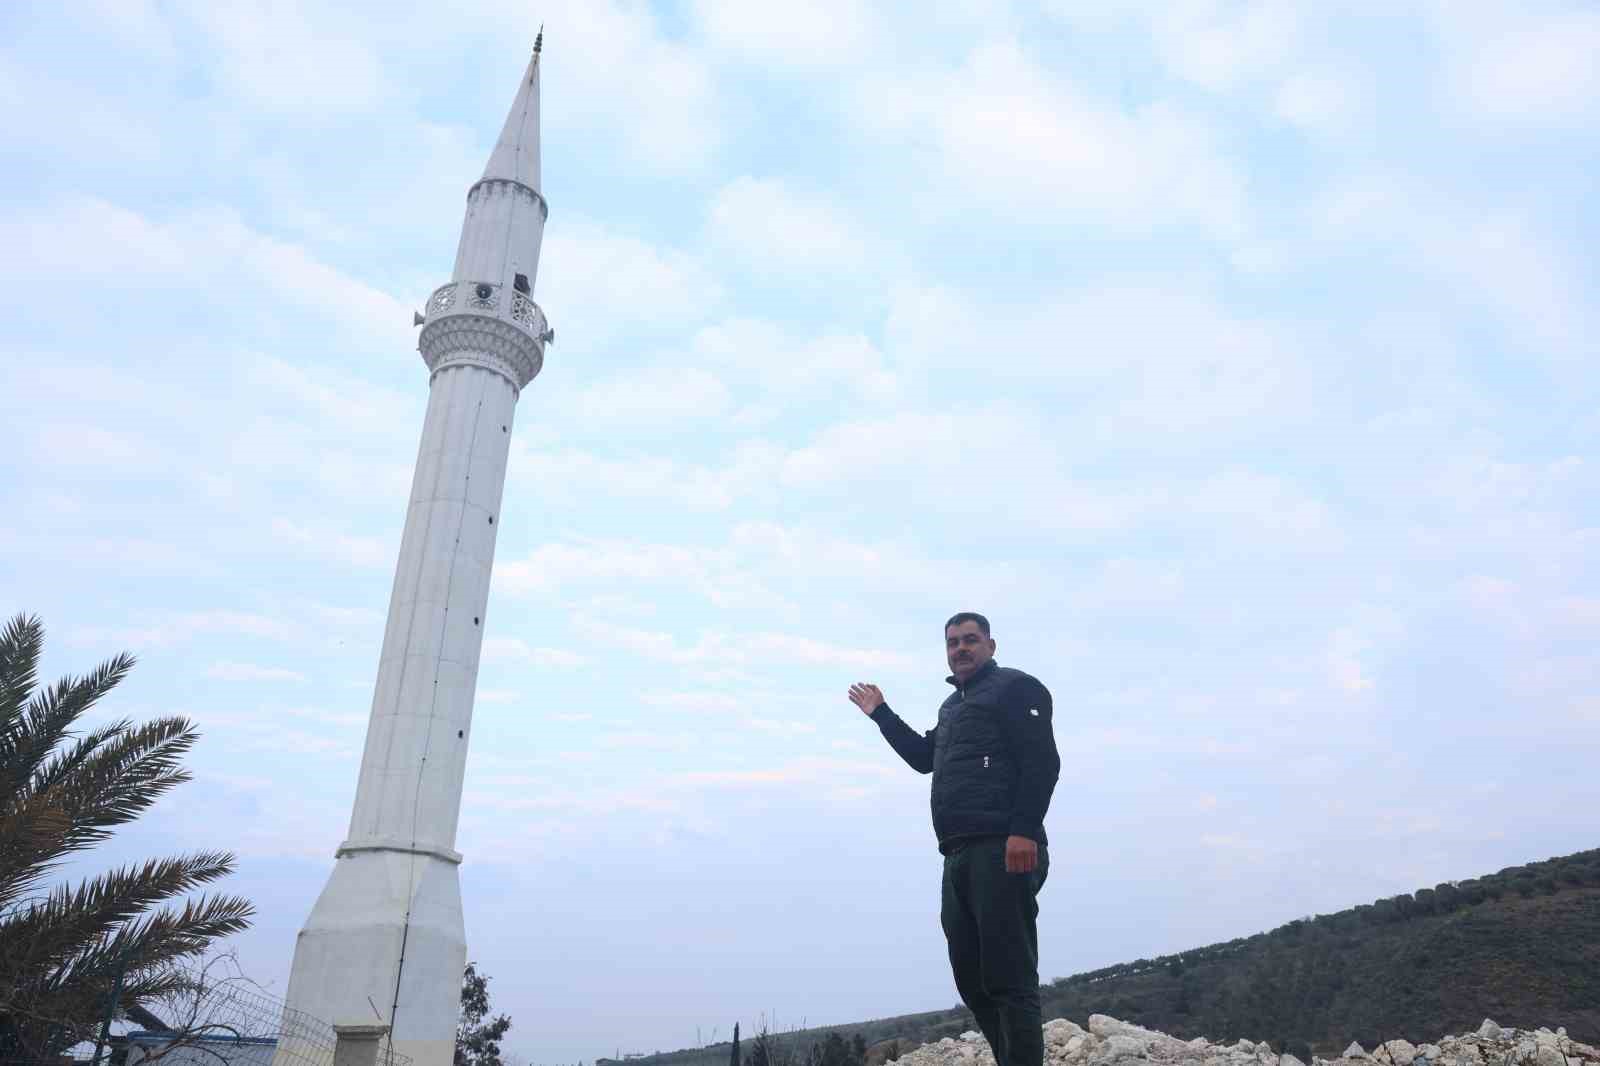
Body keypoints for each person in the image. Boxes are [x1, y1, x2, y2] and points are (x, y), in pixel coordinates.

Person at [848, 612, 1060, 1066]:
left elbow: (1043, 761)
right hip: (957, 852)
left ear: (991, 645)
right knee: (972, 979)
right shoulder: (953, 707)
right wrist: (881, 714)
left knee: (1009, 977)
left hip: (1003, 845)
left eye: (970, 640)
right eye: (952, 643)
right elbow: (924, 758)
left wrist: (1023, 831)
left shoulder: (1016, 688)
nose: (960, 649)